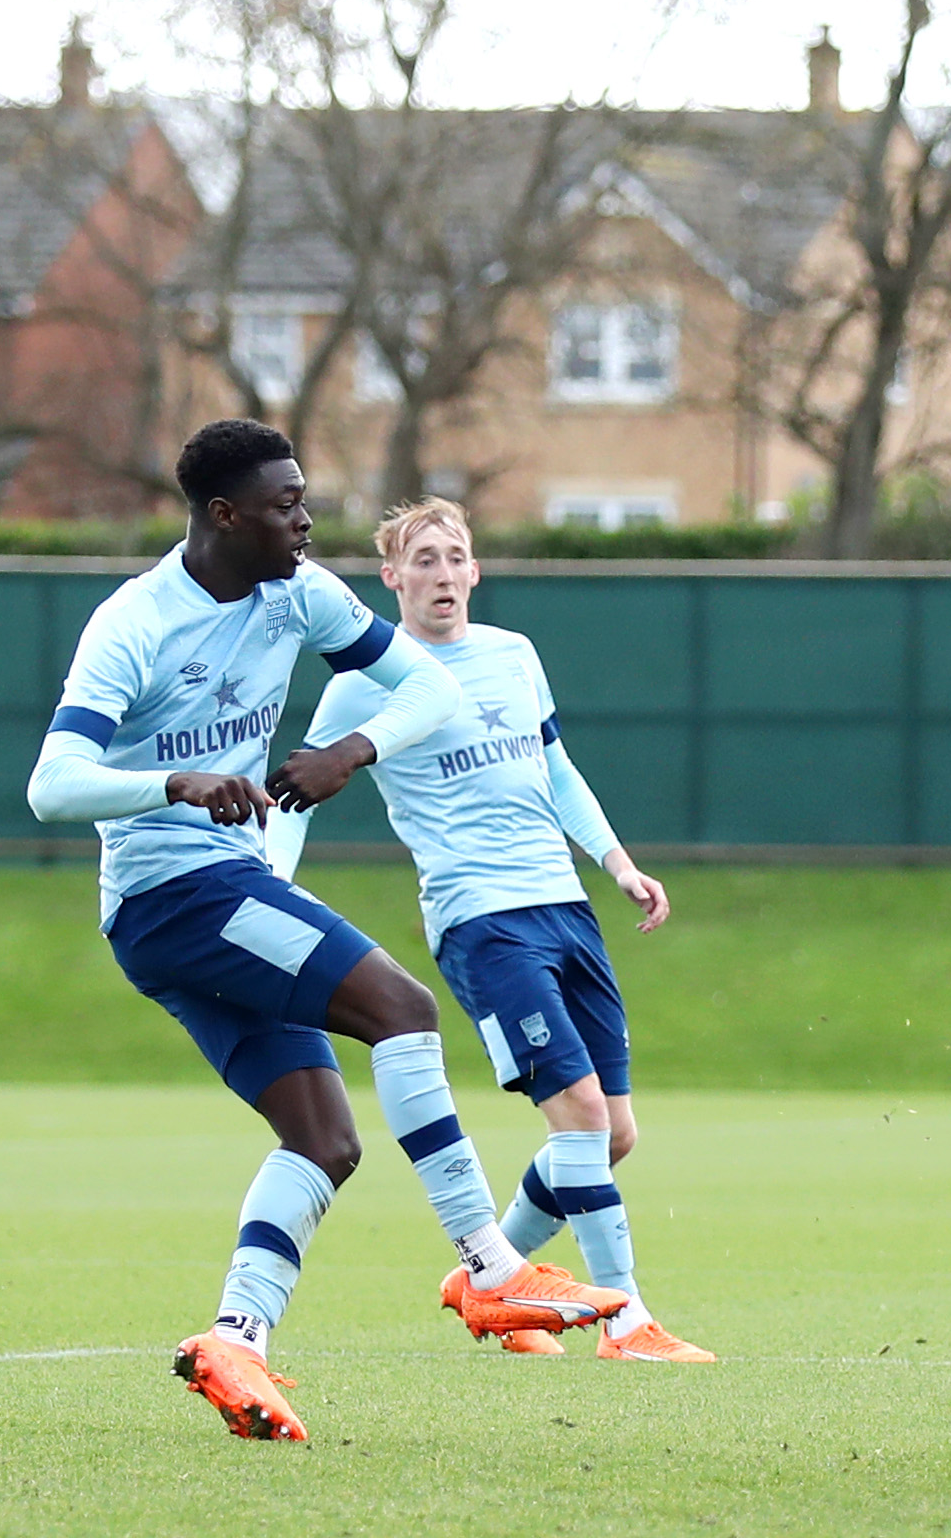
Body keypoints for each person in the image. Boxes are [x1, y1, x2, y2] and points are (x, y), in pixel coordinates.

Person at [26, 421, 631, 1442]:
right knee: (400, 1006)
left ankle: (236, 1339)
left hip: (218, 892)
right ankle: (490, 1267)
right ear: (224, 516)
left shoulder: (299, 592)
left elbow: (431, 686)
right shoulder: (134, 624)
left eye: (304, 498)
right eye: (284, 504)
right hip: (173, 897)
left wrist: (349, 750)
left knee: (324, 1137)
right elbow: (50, 786)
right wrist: (171, 782)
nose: (305, 520)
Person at [268, 498, 709, 1362]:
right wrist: (270, 881)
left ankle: (485, 1279)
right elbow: (294, 790)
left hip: (565, 909)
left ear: (476, 571)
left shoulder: (513, 656)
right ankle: (627, 1323)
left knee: (614, 1135)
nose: (441, 573)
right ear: (391, 579)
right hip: (481, 921)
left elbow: (555, 767)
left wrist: (618, 864)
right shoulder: (365, 683)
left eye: (455, 557)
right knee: (578, 1116)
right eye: (422, 559)